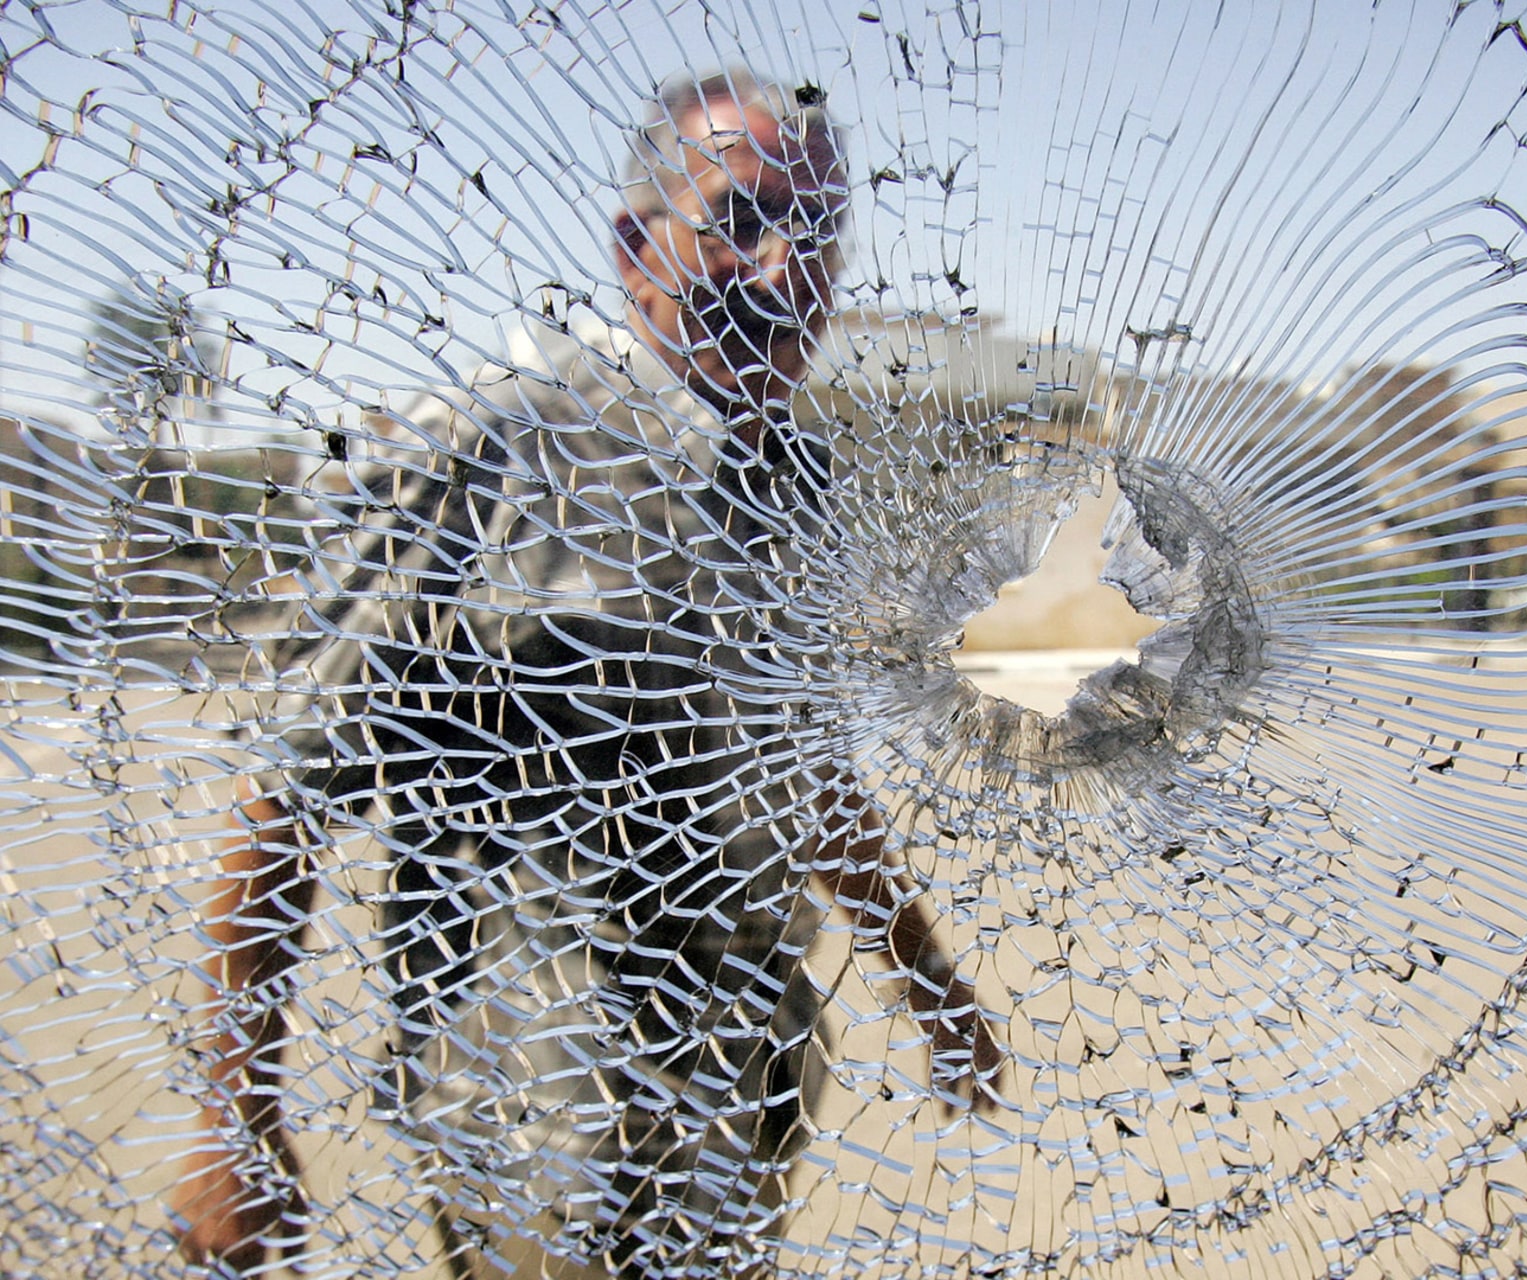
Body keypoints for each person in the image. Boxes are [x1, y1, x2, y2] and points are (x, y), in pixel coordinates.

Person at [170, 69, 1005, 1278]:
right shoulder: (495, 452)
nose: (782, 270)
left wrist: (930, 981)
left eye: (818, 232)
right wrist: (232, 1117)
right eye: (739, 220)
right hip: (536, 1104)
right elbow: (286, 790)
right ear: (634, 247)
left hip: (744, 1080)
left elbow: (805, 771)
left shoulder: (803, 484)